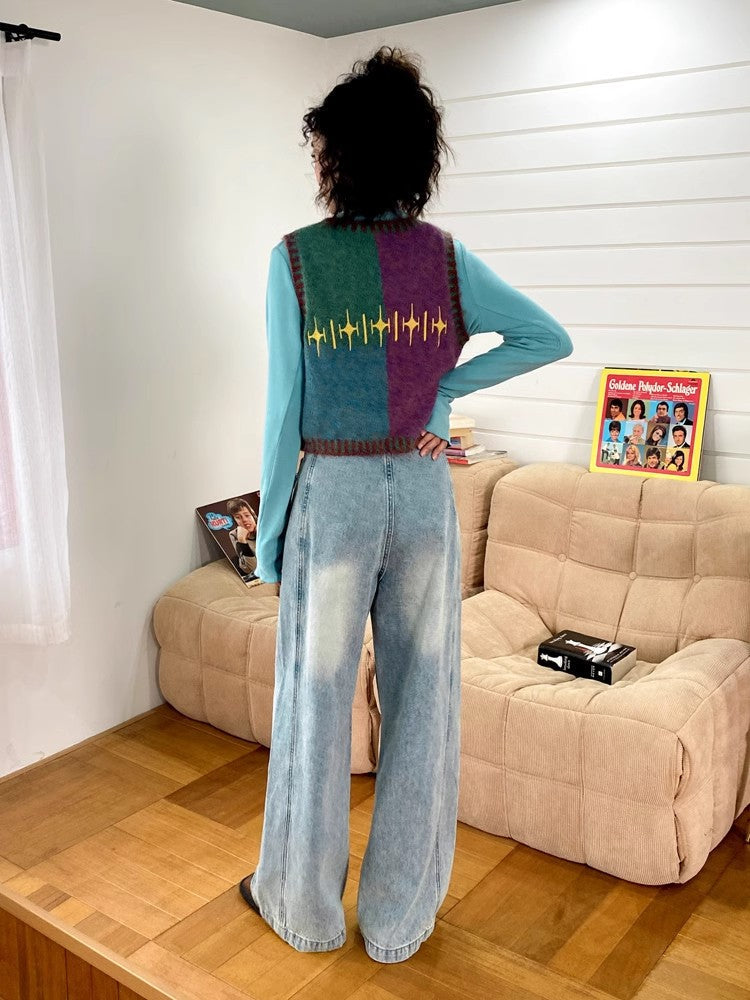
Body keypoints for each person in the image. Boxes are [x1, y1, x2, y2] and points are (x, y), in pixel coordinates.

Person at [237, 45, 573, 965]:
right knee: (425, 704)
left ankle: (302, 908)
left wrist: (270, 539)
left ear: (339, 155)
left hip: (336, 496)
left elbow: (282, 412)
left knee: (314, 702)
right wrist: (442, 395)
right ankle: (397, 921)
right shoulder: (446, 257)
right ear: (418, 156)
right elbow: (546, 336)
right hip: (424, 492)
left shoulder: (296, 260)